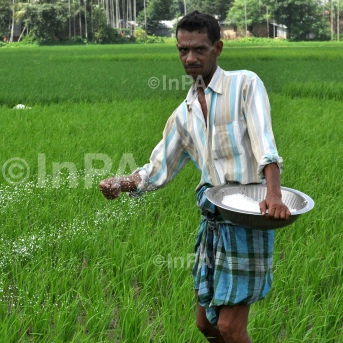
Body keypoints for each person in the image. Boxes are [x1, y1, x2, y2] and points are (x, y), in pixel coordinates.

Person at [99, 10, 290, 343]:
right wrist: (122, 183)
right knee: (206, 325)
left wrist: (273, 194)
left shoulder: (244, 84)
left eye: (199, 49)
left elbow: (265, 143)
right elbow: (157, 169)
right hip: (213, 220)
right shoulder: (183, 114)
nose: (190, 57)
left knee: (231, 326)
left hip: (248, 220)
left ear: (217, 48)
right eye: (182, 49)